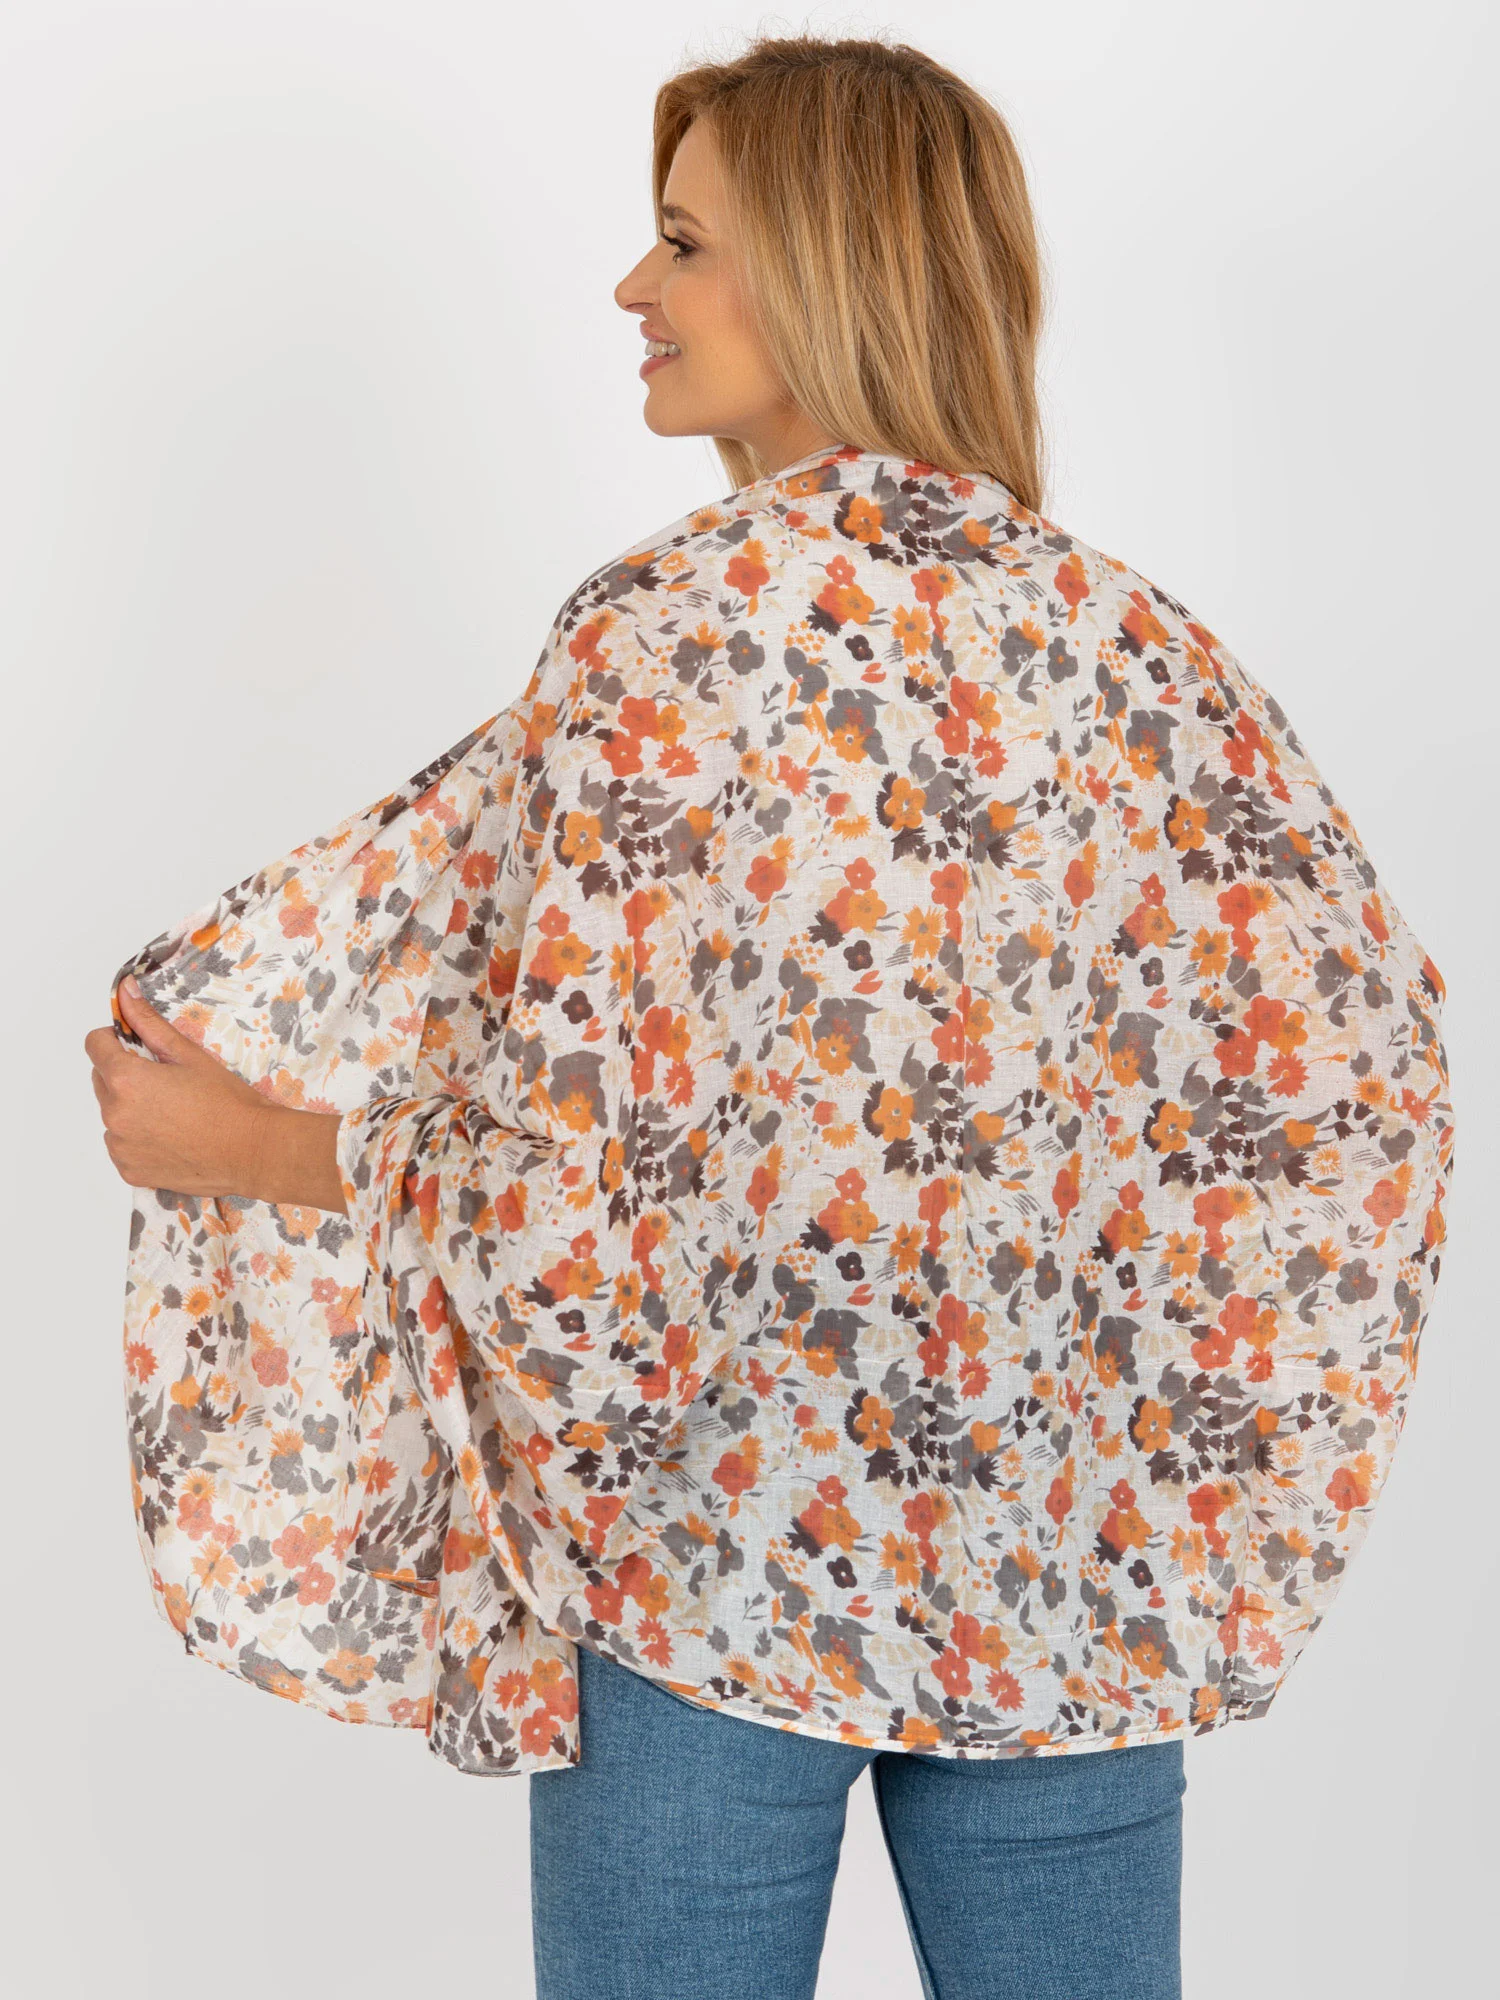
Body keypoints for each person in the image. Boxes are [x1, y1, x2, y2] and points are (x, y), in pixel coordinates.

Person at [85, 32, 1455, 2000]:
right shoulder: (1145, 655)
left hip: (707, 1564)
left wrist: (251, 1144)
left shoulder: (668, 634)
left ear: (828, 266)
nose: (630, 289)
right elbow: (1362, 1085)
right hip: (1068, 1585)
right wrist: (1133, 1398)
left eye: (684, 243)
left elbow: (579, 1203)